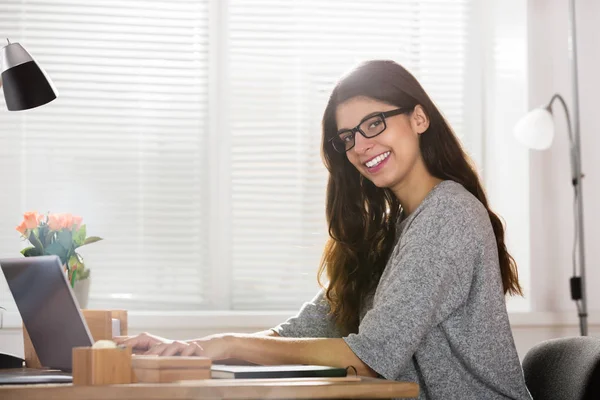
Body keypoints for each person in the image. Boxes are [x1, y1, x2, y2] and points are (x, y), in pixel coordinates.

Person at [114, 60, 532, 399]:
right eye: (346, 138)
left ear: (419, 118)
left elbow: (372, 356)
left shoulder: (449, 214)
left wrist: (229, 343)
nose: (360, 146)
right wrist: (188, 350)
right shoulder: (391, 232)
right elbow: (301, 334)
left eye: (374, 123)